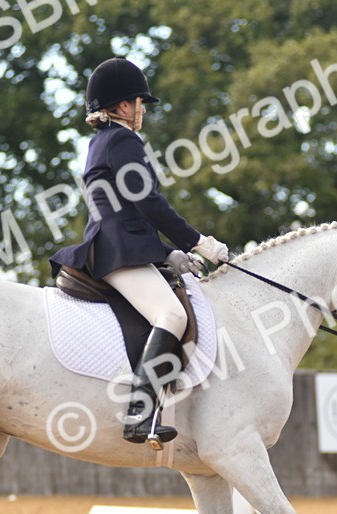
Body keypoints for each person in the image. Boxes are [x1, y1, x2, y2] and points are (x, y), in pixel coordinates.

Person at [50, 56, 229, 446]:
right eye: (140, 102)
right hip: (118, 251)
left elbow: (128, 213)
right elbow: (149, 202)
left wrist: (165, 254)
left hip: (118, 243)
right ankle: (139, 413)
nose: (143, 110)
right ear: (124, 105)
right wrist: (198, 242)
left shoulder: (100, 142)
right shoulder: (123, 139)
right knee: (171, 314)